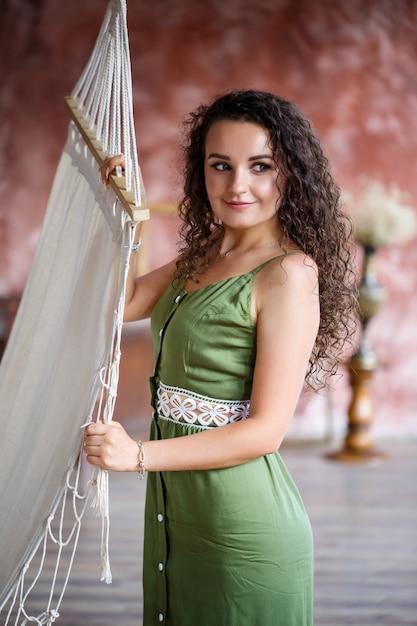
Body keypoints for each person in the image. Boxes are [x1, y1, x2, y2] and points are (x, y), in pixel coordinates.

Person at [84, 89, 357, 626]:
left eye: (260, 166)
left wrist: (136, 456)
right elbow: (125, 302)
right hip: (177, 513)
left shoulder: (288, 274)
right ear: (200, 173)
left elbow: (265, 433)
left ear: (291, 173)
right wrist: (127, 213)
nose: (237, 186)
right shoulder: (208, 252)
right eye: (220, 166)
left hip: (242, 533)